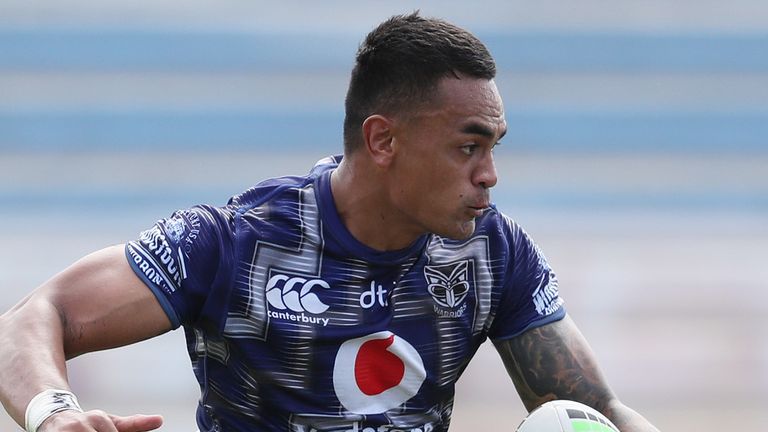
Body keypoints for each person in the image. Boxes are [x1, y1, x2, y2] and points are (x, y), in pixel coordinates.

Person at [0, 12, 660, 432]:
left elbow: (595, 413)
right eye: (469, 146)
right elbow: (32, 319)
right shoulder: (237, 243)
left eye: (494, 147)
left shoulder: (494, 252)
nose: (489, 173)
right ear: (383, 141)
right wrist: (57, 418)